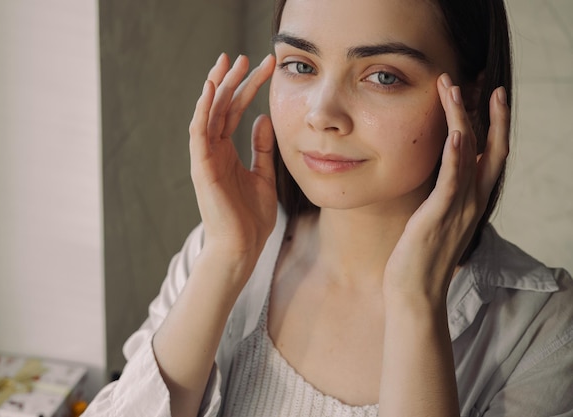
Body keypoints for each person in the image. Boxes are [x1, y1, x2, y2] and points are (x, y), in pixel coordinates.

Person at [84, 0, 573, 416]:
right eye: (300, 65)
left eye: (382, 76)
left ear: (468, 99)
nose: (322, 114)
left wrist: (415, 302)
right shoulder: (217, 251)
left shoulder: (543, 328)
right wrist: (227, 259)